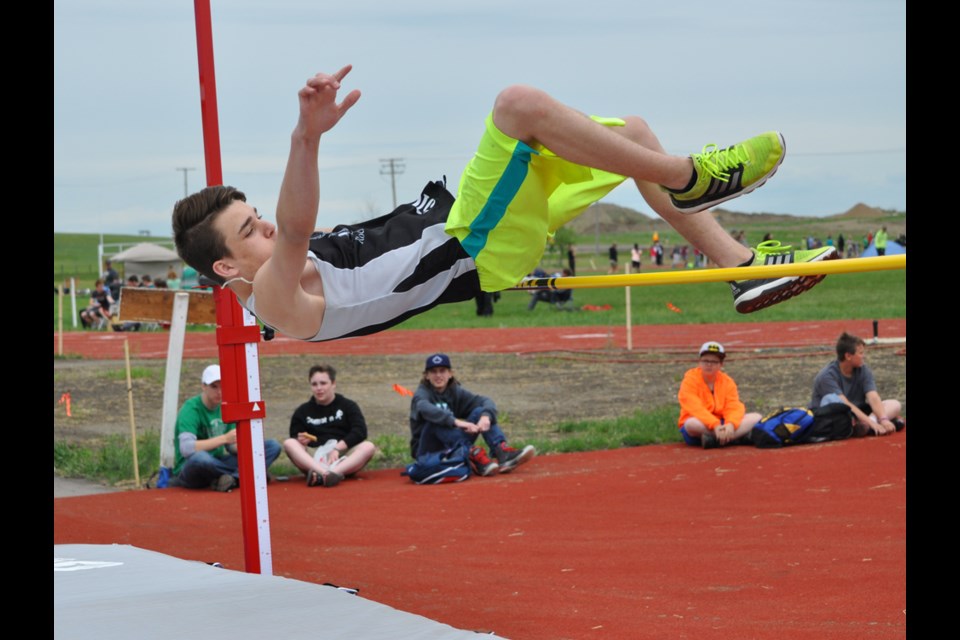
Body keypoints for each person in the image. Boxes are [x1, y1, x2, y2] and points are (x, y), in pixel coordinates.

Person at [172, 65, 836, 344]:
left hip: (483, 220)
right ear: (227, 268)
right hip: (474, 244)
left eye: (252, 212)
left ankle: (743, 266)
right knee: (516, 105)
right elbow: (293, 229)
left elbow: (288, 227)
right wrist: (305, 137)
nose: (261, 224)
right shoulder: (281, 304)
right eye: (246, 230)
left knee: (629, 133)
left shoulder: (282, 275)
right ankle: (691, 175)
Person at [409, 353, 535, 476]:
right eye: (433, 371)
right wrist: (457, 422)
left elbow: (485, 401)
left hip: (454, 443)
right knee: (433, 422)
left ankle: (501, 452)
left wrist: (486, 416)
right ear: (426, 376)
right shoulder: (422, 394)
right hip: (428, 451)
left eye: (442, 371)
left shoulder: (455, 391)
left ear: (450, 374)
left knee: (480, 411)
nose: (438, 375)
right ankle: (473, 454)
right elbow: (424, 408)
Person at [173, 364, 282, 491]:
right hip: (191, 467)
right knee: (201, 459)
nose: (219, 392)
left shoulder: (226, 406)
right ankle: (249, 474)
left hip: (217, 461)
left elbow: (231, 447)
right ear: (203, 386)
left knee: (272, 446)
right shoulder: (191, 409)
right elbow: (186, 448)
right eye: (214, 387)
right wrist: (224, 438)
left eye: (222, 386)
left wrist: (249, 446)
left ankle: (233, 479)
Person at [284, 364, 376, 487]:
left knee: (368, 447)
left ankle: (331, 474)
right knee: (289, 443)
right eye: (314, 384)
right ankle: (325, 474)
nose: (319, 388)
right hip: (315, 457)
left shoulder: (348, 405)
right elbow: (295, 434)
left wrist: (338, 448)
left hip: (341, 456)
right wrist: (301, 440)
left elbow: (360, 431)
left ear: (333, 384)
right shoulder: (302, 411)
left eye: (323, 383)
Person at [809, 332, 903, 436]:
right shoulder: (826, 376)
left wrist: (883, 419)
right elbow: (845, 404)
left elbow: (873, 397)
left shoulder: (863, 370)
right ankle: (863, 425)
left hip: (857, 413)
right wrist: (871, 423)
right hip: (833, 415)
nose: (864, 356)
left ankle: (866, 425)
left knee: (895, 404)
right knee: (831, 399)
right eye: (861, 353)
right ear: (848, 356)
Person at [677, 342, 762, 448]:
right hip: (703, 423)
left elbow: (733, 406)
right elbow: (695, 408)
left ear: (721, 364)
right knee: (690, 424)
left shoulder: (727, 381)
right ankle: (735, 438)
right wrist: (714, 425)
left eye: (714, 362)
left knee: (756, 417)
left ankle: (715, 440)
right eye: (705, 361)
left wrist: (731, 424)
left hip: (723, 423)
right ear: (699, 362)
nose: (709, 364)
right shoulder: (689, 380)